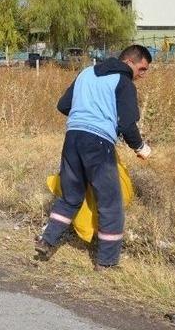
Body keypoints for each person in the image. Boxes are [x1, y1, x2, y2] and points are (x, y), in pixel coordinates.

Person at [36, 45, 153, 270]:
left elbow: (63, 105)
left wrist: (85, 111)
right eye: (142, 69)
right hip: (98, 144)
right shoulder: (123, 81)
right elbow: (128, 124)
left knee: (70, 197)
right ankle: (106, 262)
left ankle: (46, 241)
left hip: (72, 139)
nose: (143, 75)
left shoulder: (86, 73)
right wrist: (140, 147)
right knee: (111, 203)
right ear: (129, 62)